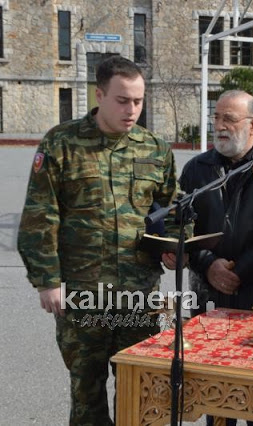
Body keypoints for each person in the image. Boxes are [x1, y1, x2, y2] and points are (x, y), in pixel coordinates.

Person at [17, 56, 183, 425]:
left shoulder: (154, 147)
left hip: (138, 293)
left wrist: (174, 244)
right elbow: (40, 215)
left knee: (137, 389)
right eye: (123, 100)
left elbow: (173, 208)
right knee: (86, 392)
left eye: (138, 101)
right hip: (81, 293)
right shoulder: (62, 143)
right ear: (100, 95)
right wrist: (47, 281)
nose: (132, 110)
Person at [178, 89, 253, 426]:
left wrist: (239, 271)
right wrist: (207, 263)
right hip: (209, 294)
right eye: (216, 118)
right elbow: (183, 230)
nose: (219, 126)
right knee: (216, 395)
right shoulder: (196, 170)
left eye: (229, 119)